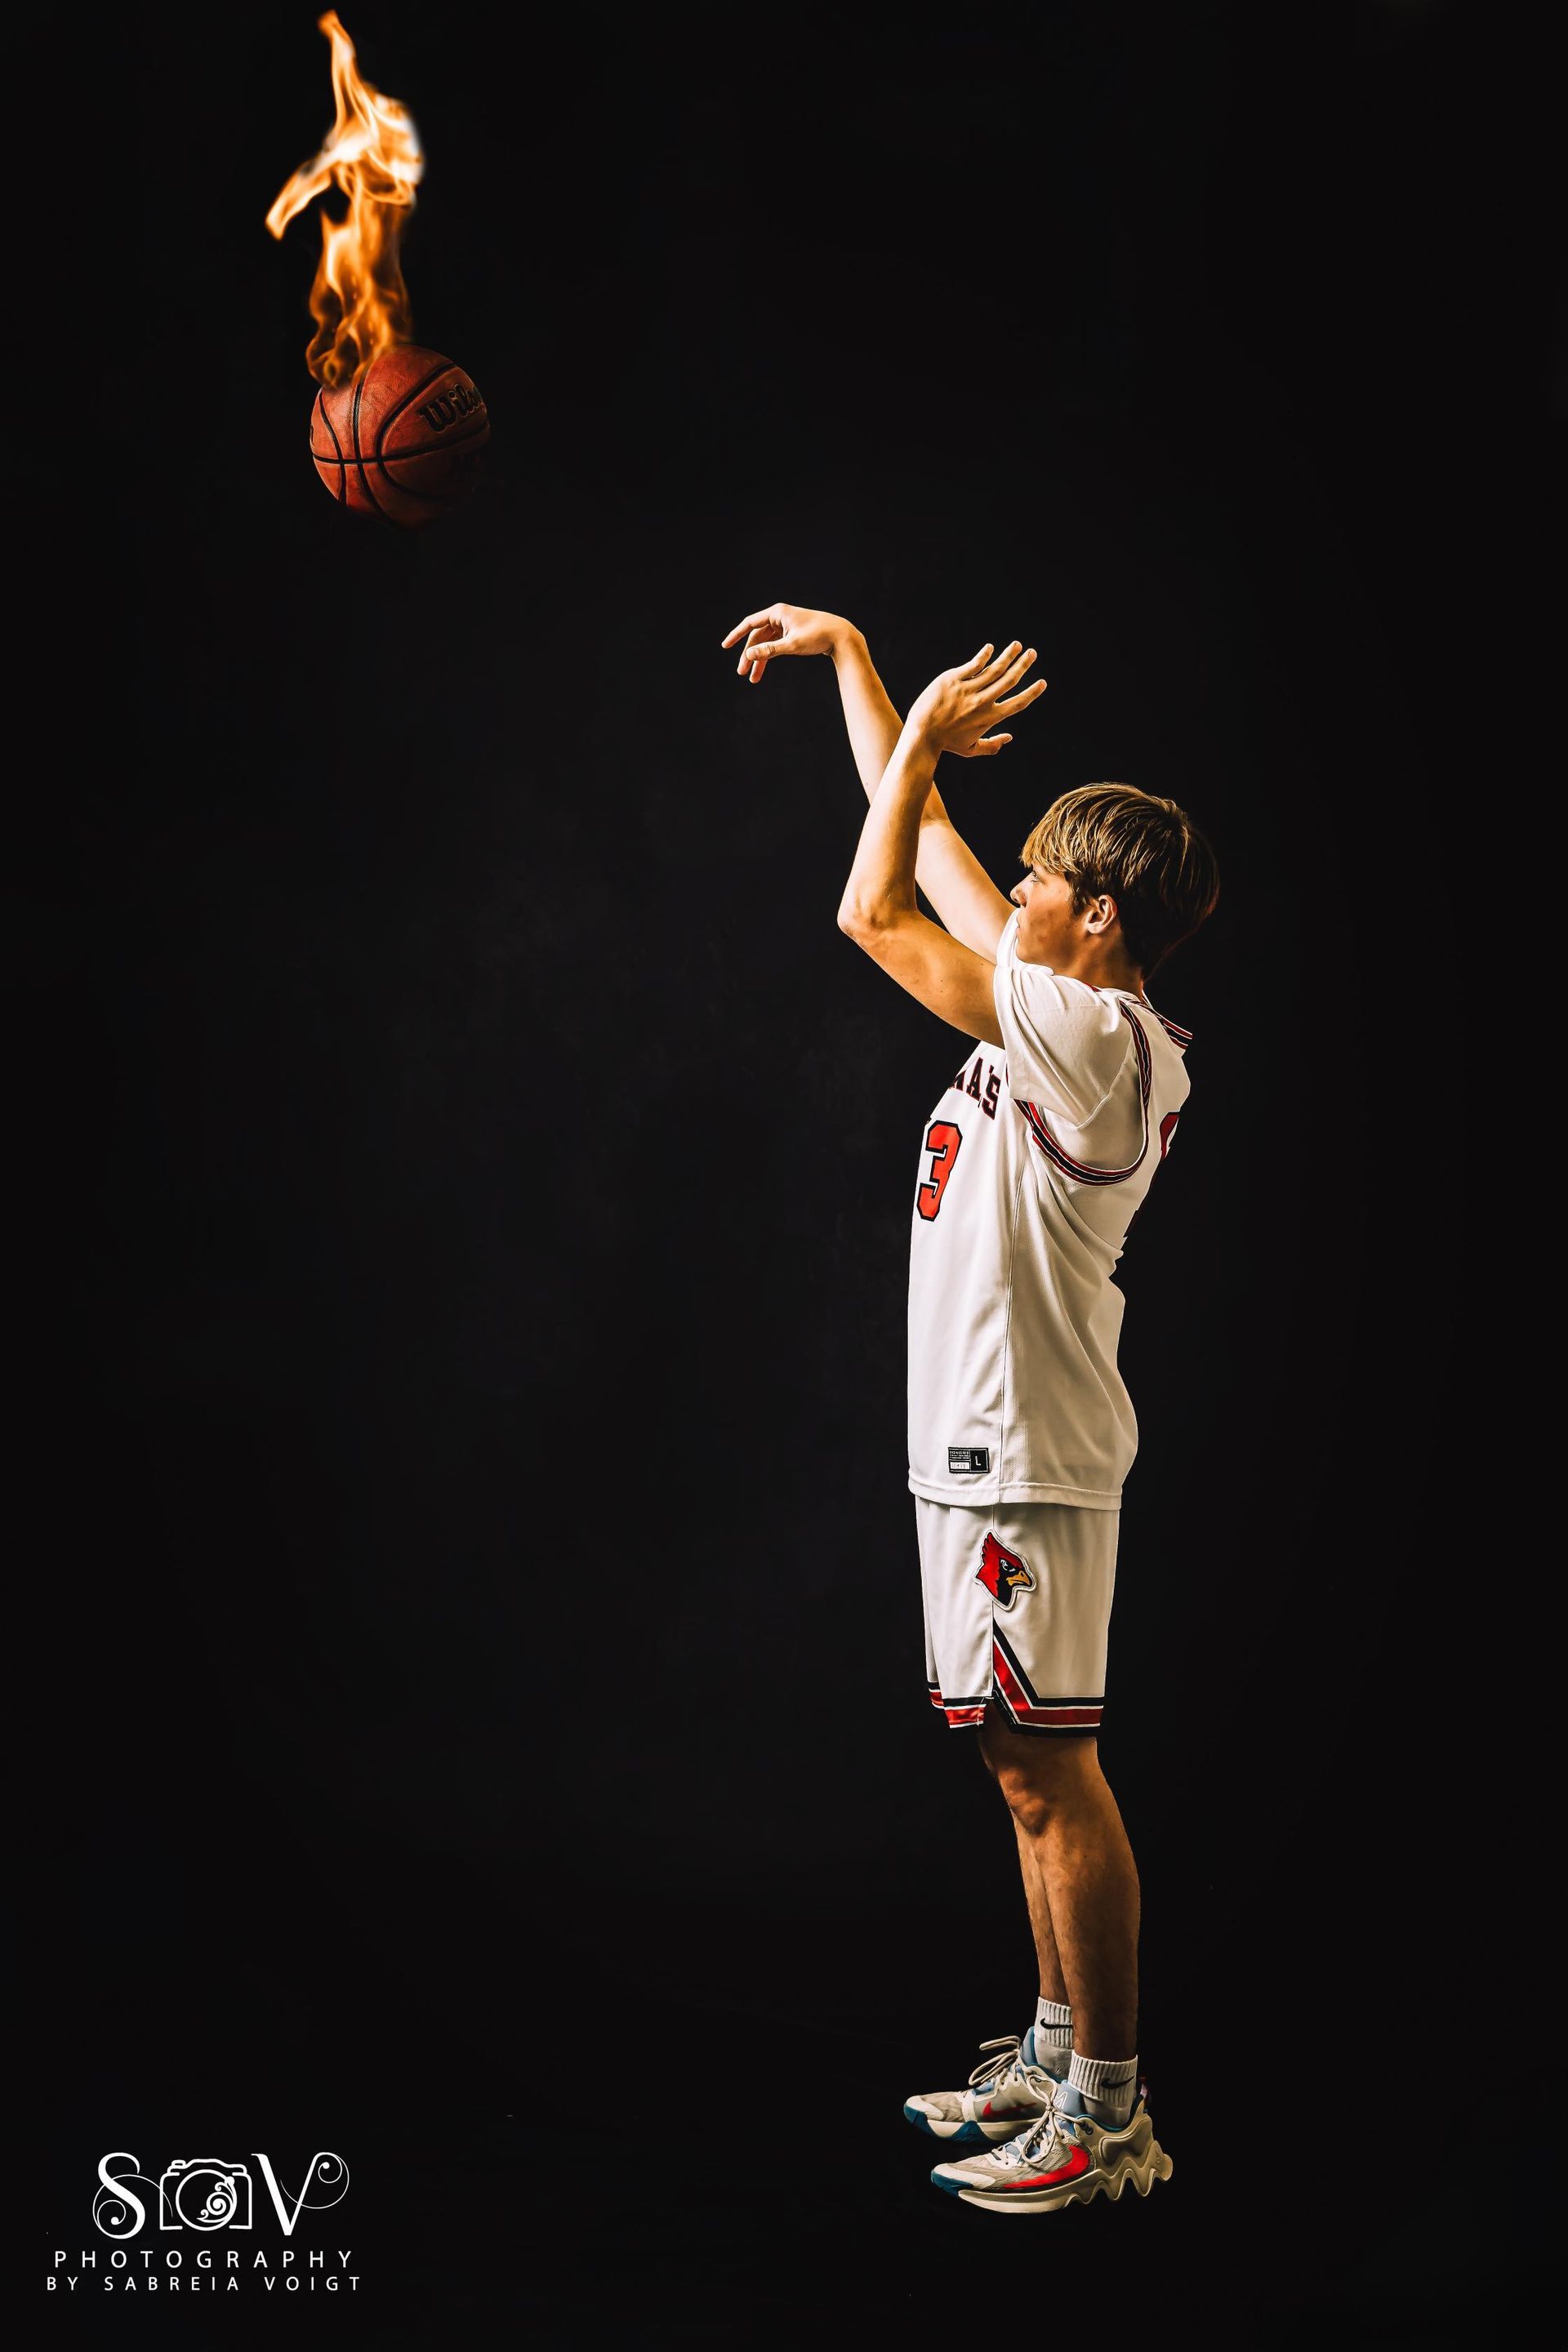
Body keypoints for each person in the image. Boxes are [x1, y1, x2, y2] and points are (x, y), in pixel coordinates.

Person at [720, 602, 1219, 2215]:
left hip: (1027, 1454)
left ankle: (1111, 2116)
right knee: (1023, 1771)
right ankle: (1059, 2053)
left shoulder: (1093, 1037)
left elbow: (873, 908)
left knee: (1053, 1776)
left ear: (1098, 917)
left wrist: (923, 740)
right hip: (986, 1445)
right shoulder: (1059, 1003)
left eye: (1041, 880)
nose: (1014, 890)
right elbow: (924, 835)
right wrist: (862, 669)